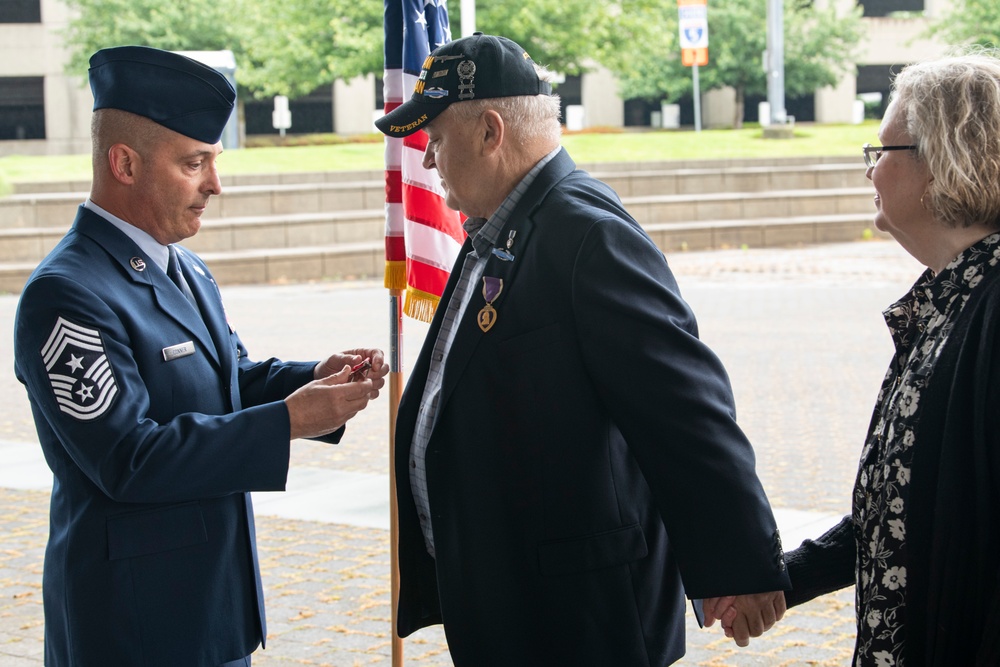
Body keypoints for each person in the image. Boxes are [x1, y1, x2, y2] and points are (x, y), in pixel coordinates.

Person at [373, 32, 789, 666]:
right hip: (519, 599)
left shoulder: (586, 234)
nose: (427, 159)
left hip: (579, 617)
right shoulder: (501, 222)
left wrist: (741, 562)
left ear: (490, 131)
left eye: (436, 137)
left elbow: (685, 410)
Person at [12, 46, 388, 666]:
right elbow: (128, 459)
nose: (215, 185)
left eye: (213, 162)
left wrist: (314, 380)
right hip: (132, 625)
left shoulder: (184, 266)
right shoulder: (67, 294)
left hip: (211, 610)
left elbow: (227, 380)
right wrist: (288, 421)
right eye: (194, 164)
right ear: (124, 163)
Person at [707, 51, 1000, 664]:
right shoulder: (948, 299)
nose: (870, 172)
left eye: (882, 153)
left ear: (942, 160)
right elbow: (899, 512)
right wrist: (786, 577)